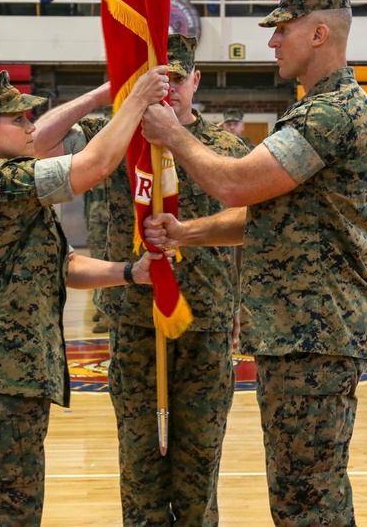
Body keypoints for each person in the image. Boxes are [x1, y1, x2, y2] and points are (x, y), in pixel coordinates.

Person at [141, 0, 367, 527]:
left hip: (315, 332)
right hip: (300, 332)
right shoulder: (319, 110)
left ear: (319, 33)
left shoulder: (332, 114)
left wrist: (173, 135)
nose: (273, 42)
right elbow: (272, 218)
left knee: (309, 502)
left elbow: (238, 184)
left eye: (283, 29)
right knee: (300, 496)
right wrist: (187, 233)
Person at [32, 34, 250, 526]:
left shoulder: (223, 146)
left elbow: (247, 228)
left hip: (206, 322)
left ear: (195, 80)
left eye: (176, 77)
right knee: (139, 463)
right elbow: (36, 142)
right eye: (156, 77)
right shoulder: (111, 134)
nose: (166, 87)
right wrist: (106, 96)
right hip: (134, 321)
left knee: (200, 462)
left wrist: (240, 308)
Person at [0, 68, 168, 526]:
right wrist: (134, 99)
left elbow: (63, 266)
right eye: (18, 120)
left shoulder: (11, 184)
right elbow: (95, 165)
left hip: (15, 371)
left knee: (16, 505)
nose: (30, 128)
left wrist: (129, 272)